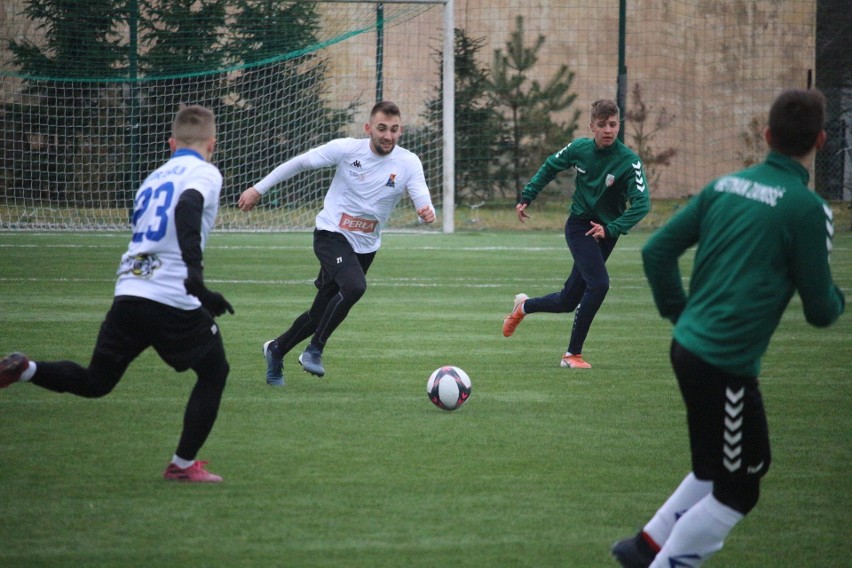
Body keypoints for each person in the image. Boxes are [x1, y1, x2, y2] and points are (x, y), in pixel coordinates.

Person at [612, 88, 845, 567]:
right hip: (724, 365)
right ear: (821, 140)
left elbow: (656, 251)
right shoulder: (808, 210)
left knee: (717, 465)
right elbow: (820, 311)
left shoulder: (724, 187)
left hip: (688, 347)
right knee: (741, 485)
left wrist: (681, 314)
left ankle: (643, 548)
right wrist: (839, 296)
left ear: (766, 135)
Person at [0, 105, 234, 483]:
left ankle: (25, 369)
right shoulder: (205, 172)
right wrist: (196, 281)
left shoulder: (152, 178)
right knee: (214, 370)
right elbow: (188, 206)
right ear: (213, 144)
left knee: (97, 382)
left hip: (129, 289)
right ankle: (183, 464)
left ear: (171, 143)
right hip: (170, 293)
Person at [237, 100, 435, 384]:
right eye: (381, 128)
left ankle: (276, 349)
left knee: (319, 313)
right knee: (355, 286)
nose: (387, 136)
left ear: (400, 130)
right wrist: (259, 189)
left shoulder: (408, 162)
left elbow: (422, 197)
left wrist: (426, 210)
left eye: (393, 130)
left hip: (366, 246)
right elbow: (300, 162)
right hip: (331, 234)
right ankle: (314, 350)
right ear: (368, 128)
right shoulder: (346, 149)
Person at [502, 99, 650, 368]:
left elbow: (642, 204)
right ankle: (572, 355)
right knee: (599, 285)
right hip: (580, 225)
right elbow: (550, 165)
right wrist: (528, 196)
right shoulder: (580, 148)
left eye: (613, 125)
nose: (608, 130)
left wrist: (611, 228)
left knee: (568, 300)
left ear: (619, 125)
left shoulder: (629, 162)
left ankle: (523, 306)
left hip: (606, 232)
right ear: (591, 126)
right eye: (602, 125)